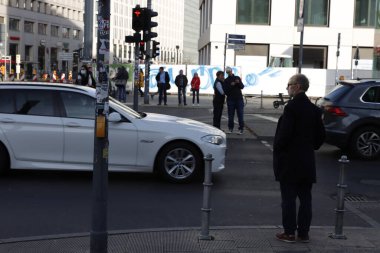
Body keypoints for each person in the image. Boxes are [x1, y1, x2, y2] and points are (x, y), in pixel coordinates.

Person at [273, 74, 325, 243]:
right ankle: (303, 233)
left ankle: (289, 233)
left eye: (289, 85)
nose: (287, 88)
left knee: (288, 199)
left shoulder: (291, 108)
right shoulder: (314, 110)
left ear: (296, 86)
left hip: (289, 161)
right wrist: (311, 146)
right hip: (307, 161)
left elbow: (284, 135)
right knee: (305, 199)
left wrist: (278, 149)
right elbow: (320, 136)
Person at [224, 67, 244, 134]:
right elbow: (226, 91)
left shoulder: (237, 77)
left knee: (240, 115)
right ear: (226, 73)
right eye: (227, 72)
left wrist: (238, 83)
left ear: (231, 71)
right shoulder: (226, 80)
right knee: (230, 115)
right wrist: (231, 85)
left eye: (229, 71)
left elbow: (242, 86)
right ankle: (230, 128)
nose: (229, 73)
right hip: (230, 100)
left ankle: (241, 129)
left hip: (239, 99)